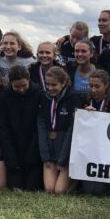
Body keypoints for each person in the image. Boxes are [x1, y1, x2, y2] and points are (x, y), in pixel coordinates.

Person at [37, 66, 82, 195]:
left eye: (54, 85)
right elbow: (41, 124)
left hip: (66, 151)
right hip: (50, 149)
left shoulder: (74, 98)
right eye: (47, 84)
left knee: (59, 191)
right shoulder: (45, 97)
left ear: (63, 83)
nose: (50, 88)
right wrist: (45, 156)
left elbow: (72, 129)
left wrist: (63, 158)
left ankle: (76, 180)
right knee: (50, 189)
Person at [0, 65, 43, 191]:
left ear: (29, 80)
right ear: (10, 83)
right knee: (15, 187)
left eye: (24, 85)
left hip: (33, 149)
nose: (21, 89)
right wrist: (11, 158)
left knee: (32, 188)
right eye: (17, 86)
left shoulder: (39, 94)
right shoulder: (4, 97)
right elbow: (3, 128)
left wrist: (32, 154)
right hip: (13, 149)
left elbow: (39, 126)